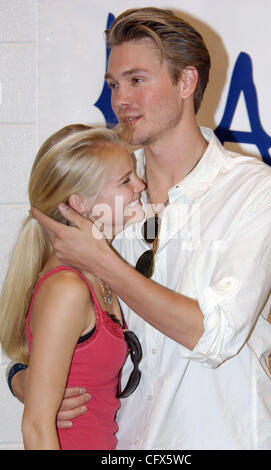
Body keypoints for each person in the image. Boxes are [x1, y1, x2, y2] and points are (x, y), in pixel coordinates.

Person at [8, 7, 271, 450]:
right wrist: (24, 379)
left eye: (137, 80)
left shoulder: (256, 191)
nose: (120, 98)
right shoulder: (107, 190)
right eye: (114, 84)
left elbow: (216, 334)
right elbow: (48, 307)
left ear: (186, 82)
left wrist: (104, 262)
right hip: (129, 442)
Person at [0, 124, 145, 449]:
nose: (140, 185)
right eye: (126, 180)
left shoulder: (97, 272)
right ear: (79, 202)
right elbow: (36, 428)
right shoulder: (67, 287)